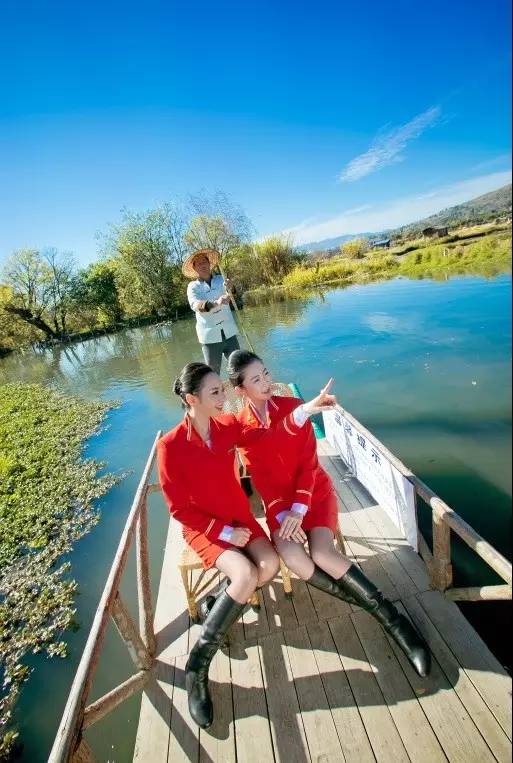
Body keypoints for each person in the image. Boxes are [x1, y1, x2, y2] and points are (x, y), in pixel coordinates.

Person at [227, 350, 431, 678]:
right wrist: (283, 515)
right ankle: (370, 606)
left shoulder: (291, 407)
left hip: (313, 495)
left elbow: (310, 463)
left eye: (265, 373)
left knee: (322, 552)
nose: (266, 382)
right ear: (240, 390)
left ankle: (392, 619)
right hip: (280, 507)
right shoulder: (241, 429)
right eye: (256, 379)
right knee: (293, 558)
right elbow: (264, 471)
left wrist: (299, 507)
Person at [158, 361, 338, 728]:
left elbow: (268, 432)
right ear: (192, 399)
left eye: (223, 390)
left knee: (268, 565)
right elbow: (178, 509)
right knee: (244, 574)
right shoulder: (171, 446)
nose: (224, 397)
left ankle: (217, 604)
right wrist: (224, 534)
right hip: (207, 528)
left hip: (241, 518)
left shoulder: (228, 428)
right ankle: (196, 668)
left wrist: (303, 410)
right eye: (215, 393)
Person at [183, 248, 240, 375]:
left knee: (238, 369)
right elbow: (195, 305)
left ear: (209, 264)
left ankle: (240, 392)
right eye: (199, 263)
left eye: (205, 261)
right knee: (213, 373)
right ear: (195, 268)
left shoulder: (221, 279)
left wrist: (232, 288)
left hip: (229, 331)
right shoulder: (192, 286)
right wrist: (216, 303)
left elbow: (232, 295)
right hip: (209, 336)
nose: (202, 265)